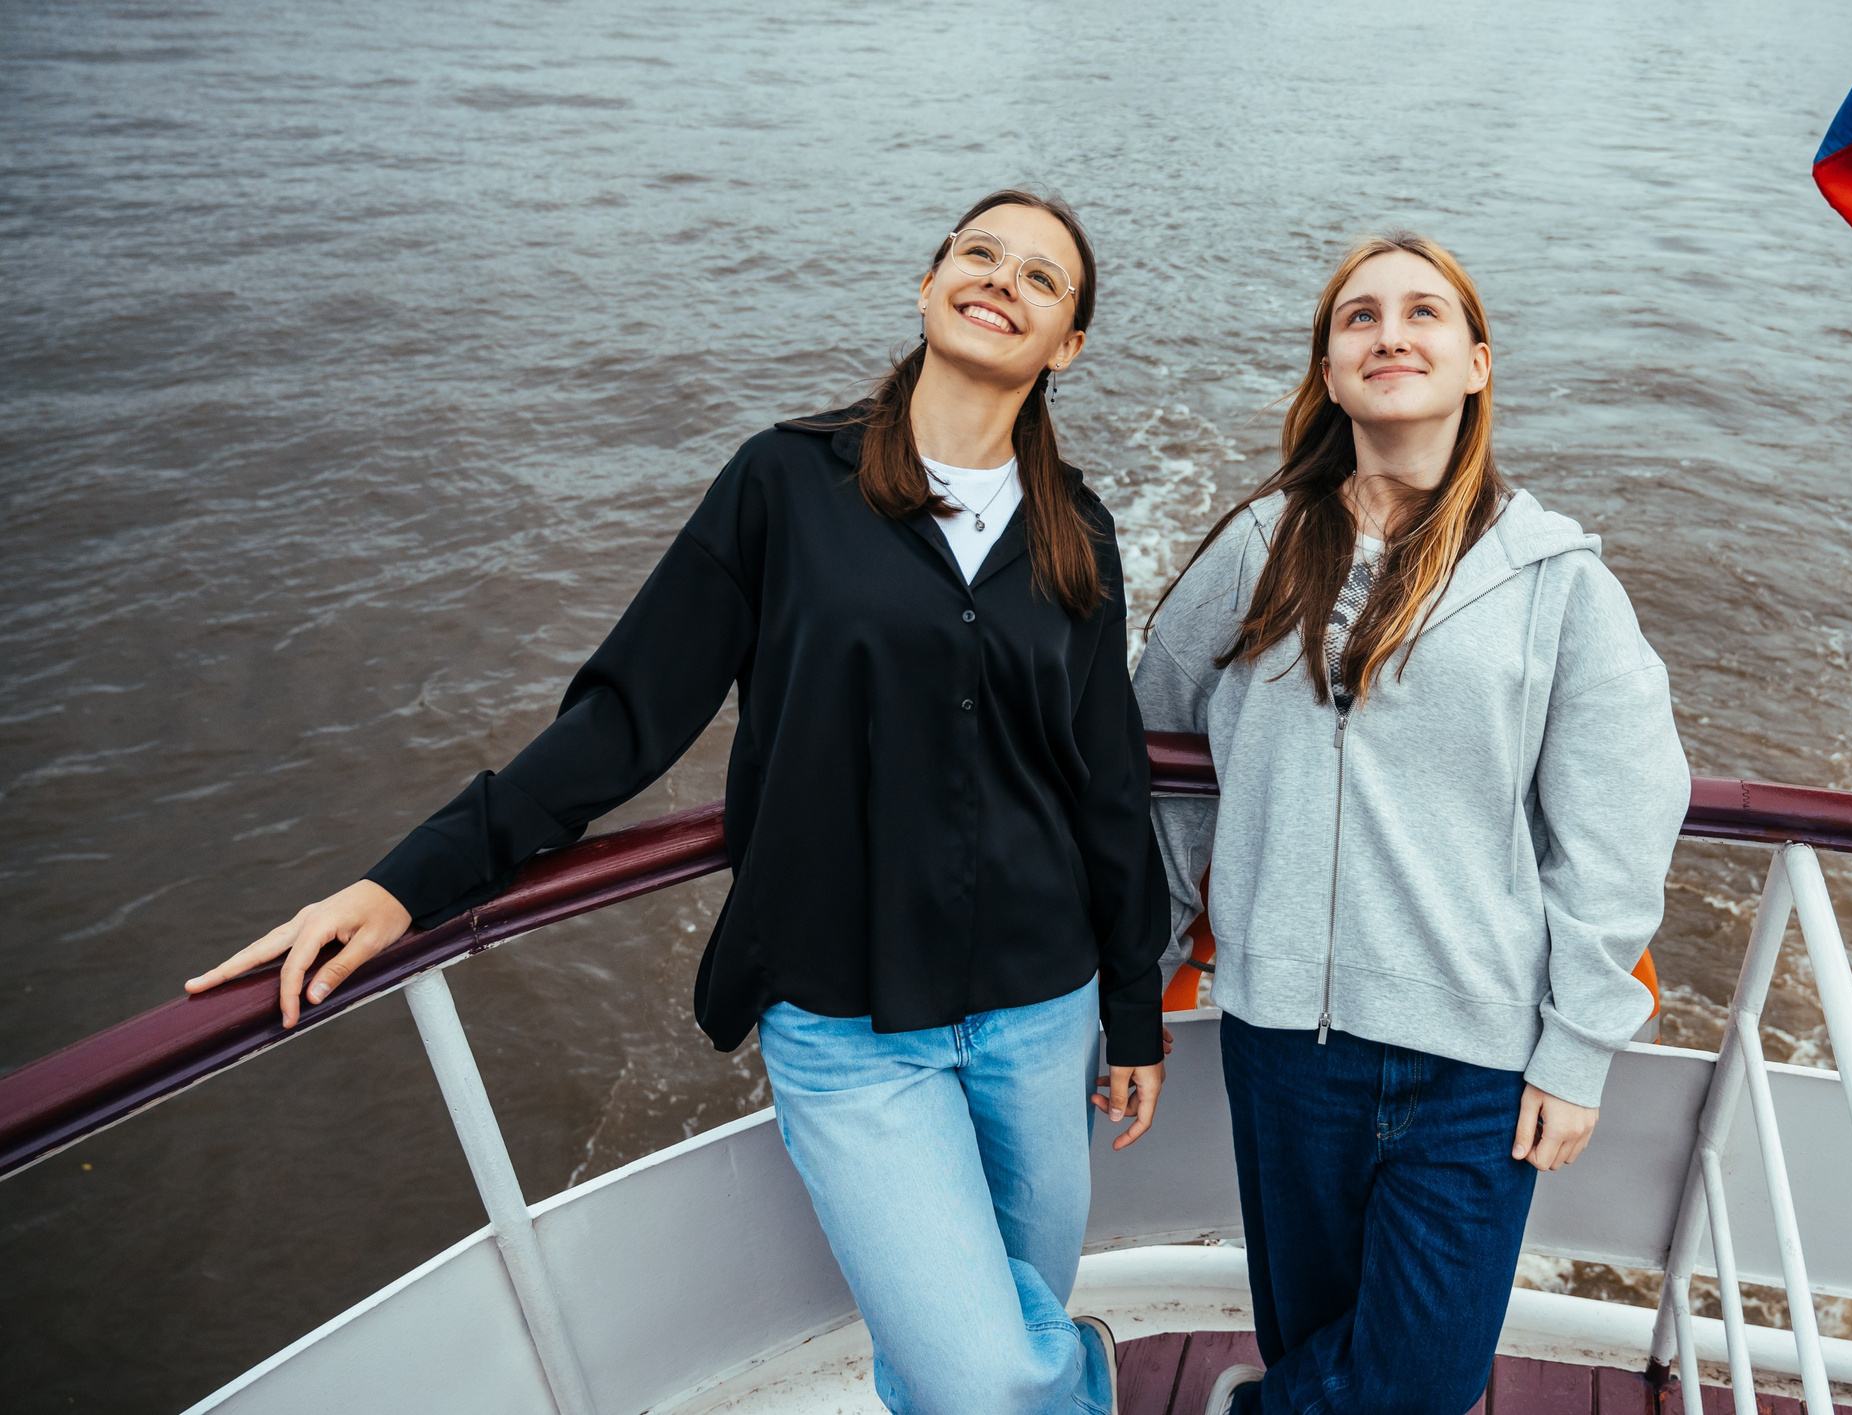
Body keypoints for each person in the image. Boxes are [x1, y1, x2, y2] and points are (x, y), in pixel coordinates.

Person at [187, 189, 1169, 1415]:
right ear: (928, 285)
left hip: (1040, 1007)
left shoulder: (1078, 533)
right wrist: (405, 882)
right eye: (979, 253)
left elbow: (1105, 781)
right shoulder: (784, 482)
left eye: (1040, 277)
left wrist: (1132, 1005)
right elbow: (626, 716)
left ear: (1067, 342)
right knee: (983, 1378)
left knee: (998, 1334)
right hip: (848, 1019)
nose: (1001, 280)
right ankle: (1082, 1380)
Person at [1136, 232, 1692, 1415]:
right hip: (1286, 1040)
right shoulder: (1256, 550)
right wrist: (1157, 943)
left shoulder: (1555, 580)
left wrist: (1578, 1043)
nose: (1390, 332)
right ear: (1330, 375)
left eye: (1423, 312)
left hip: (1475, 1057)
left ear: (1476, 364)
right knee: (1308, 1340)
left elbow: (1620, 819)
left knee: (1420, 1381)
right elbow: (1153, 745)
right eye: (1360, 316)